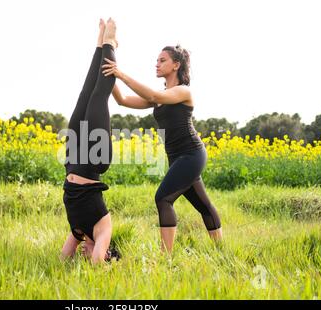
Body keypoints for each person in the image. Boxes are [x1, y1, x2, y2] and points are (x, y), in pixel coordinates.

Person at [102, 44, 223, 253]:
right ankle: (221, 252)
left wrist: (121, 74)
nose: (156, 64)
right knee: (203, 206)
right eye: (157, 60)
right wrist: (108, 75)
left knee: (163, 198)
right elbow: (122, 101)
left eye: (162, 60)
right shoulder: (160, 96)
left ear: (176, 65)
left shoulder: (183, 91)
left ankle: (165, 257)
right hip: (177, 159)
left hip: (191, 154)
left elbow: (154, 97)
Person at [60, 18, 119, 264]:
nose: (87, 253)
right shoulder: (102, 229)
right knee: (98, 98)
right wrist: (101, 261)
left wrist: (76, 252)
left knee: (85, 95)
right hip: (95, 162)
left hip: (73, 160)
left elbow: (63, 258)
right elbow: (97, 262)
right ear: (106, 253)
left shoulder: (79, 232)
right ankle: (110, 44)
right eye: (96, 252)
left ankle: (99, 44)